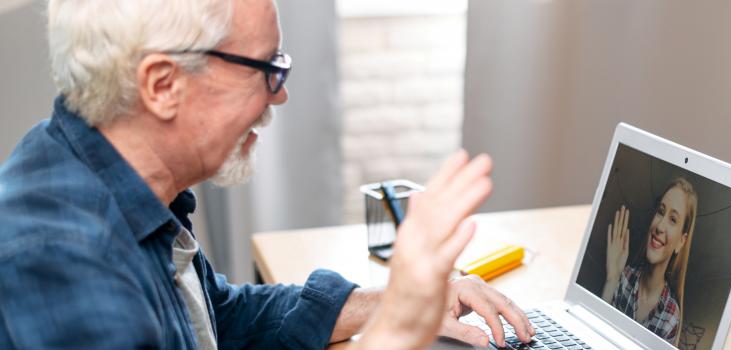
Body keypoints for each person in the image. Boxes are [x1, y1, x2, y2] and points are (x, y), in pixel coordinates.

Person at [0, 0, 534, 349]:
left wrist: (397, 302)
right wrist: (393, 333)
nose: (280, 93)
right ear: (162, 85)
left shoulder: (116, 178)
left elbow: (219, 321)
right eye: (266, 69)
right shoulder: (62, 258)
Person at [601, 177, 698, 345]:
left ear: (681, 242)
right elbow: (596, 335)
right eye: (661, 211)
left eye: (673, 219)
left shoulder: (671, 317)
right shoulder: (623, 278)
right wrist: (612, 278)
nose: (660, 227)